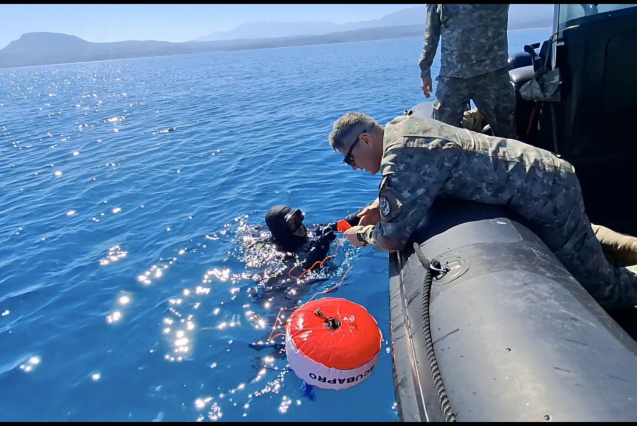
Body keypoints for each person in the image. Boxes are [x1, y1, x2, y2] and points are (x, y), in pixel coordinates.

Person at [327, 111, 637, 310]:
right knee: (583, 238)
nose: (353, 167)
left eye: (349, 159)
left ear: (365, 139)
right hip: (545, 178)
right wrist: (378, 206)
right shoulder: (401, 127)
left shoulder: (402, 159)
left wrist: (362, 235)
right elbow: (424, 178)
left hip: (546, 192)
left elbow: (393, 238)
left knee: (602, 290)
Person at [419, 4, 518, 139]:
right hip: (454, 77)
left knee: (506, 133)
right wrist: (425, 70)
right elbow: (432, 33)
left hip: (492, 75)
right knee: (441, 134)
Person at [245, 205, 360, 309]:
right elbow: (299, 270)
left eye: (298, 218)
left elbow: (341, 224)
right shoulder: (279, 253)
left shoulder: (307, 232)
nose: (300, 225)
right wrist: (322, 244)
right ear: (283, 231)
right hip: (279, 293)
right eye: (292, 223)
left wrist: (365, 212)